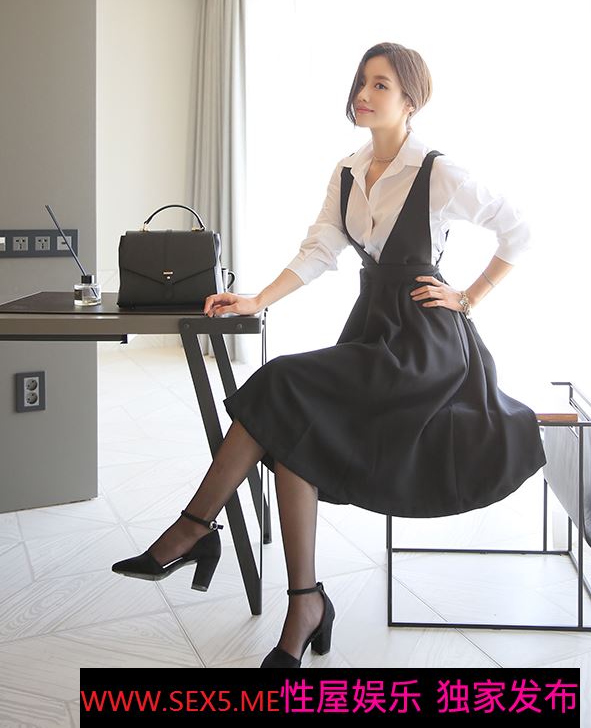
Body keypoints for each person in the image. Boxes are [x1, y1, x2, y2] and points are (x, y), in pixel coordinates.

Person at [112, 42, 546, 667]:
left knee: (282, 383)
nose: (363, 95)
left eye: (381, 85)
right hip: (372, 332)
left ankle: (194, 529)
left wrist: (469, 297)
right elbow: (319, 250)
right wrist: (257, 298)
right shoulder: (347, 171)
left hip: (424, 347)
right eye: (361, 82)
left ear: (411, 101)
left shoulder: (438, 172)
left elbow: (520, 230)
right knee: (295, 426)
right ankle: (303, 602)